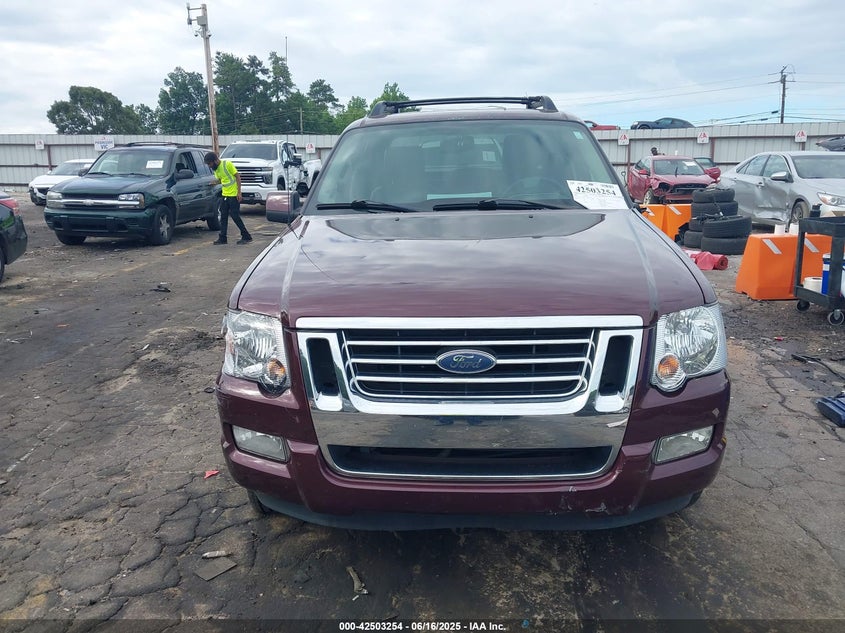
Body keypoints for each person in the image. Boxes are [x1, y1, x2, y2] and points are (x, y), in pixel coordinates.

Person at [204, 151, 252, 245]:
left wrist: (239, 192)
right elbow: (222, 180)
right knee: (223, 216)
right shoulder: (216, 169)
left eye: (209, 163)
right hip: (225, 194)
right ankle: (223, 238)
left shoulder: (227, 164)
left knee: (235, 216)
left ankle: (246, 236)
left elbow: (237, 177)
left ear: (215, 160)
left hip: (233, 194)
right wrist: (214, 183)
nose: (209, 166)